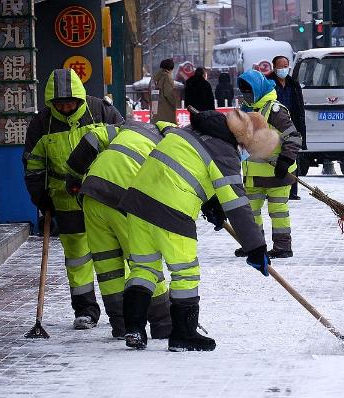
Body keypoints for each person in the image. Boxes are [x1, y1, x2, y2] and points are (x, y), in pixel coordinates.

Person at [119, 109, 279, 351]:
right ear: (245, 141)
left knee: (143, 268)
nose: (245, 154)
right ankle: (184, 334)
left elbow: (189, 169)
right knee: (185, 272)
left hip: (138, 204)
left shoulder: (189, 132)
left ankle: (133, 328)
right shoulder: (225, 153)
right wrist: (256, 247)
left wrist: (210, 204)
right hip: (172, 212)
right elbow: (237, 204)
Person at [23, 68, 124, 329]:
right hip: (65, 199)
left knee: (112, 252)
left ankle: (123, 307)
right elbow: (33, 165)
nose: (66, 107)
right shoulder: (41, 123)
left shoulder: (101, 111)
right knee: (77, 257)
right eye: (60, 104)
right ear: (51, 103)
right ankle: (85, 310)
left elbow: (126, 145)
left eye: (70, 102)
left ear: (80, 97)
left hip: (103, 196)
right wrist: (40, 197)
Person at [65, 121, 171, 339]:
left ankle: (121, 325)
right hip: (124, 198)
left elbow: (90, 139)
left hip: (92, 196)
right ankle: (163, 323)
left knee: (108, 269)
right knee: (145, 263)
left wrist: (73, 176)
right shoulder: (170, 147)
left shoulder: (127, 129)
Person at [236, 69, 302, 259]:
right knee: (250, 211)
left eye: (248, 91)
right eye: (243, 91)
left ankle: (282, 247)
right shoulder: (246, 110)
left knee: (278, 211)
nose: (245, 95)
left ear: (257, 89)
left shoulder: (274, 110)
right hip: (254, 173)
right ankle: (254, 246)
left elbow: (293, 137)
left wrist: (286, 160)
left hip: (277, 172)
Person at [268, 55, 307, 200]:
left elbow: (300, 109)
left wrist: (302, 132)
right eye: (280, 66)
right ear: (274, 67)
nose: (283, 69)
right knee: (276, 156)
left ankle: (292, 190)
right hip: (274, 125)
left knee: (292, 157)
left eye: (286, 66)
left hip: (292, 125)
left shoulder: (293, 84)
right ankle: (275, 186)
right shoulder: (268, 83)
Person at [151, 58, 177, 124]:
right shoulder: (167, 77)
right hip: (166, 110)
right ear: (170, 68)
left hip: (156, 109)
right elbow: (169, 94)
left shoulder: (155, 78)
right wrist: (175, 103)